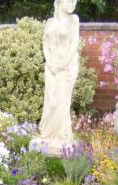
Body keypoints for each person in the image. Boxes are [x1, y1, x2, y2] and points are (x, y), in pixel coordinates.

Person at [36, 0, 80, 155]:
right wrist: (50, 63)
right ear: (59, 3)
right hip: (51, 67)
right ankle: (48, 135)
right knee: (51, 102)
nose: (73, 3)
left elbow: (74, 44)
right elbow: (45, 44)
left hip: (67, 68)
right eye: (70, 0)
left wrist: (62, 64)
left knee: (62, 102)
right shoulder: (50, 22)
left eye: (75, 1)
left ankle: (62, 136)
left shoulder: (73, 20)